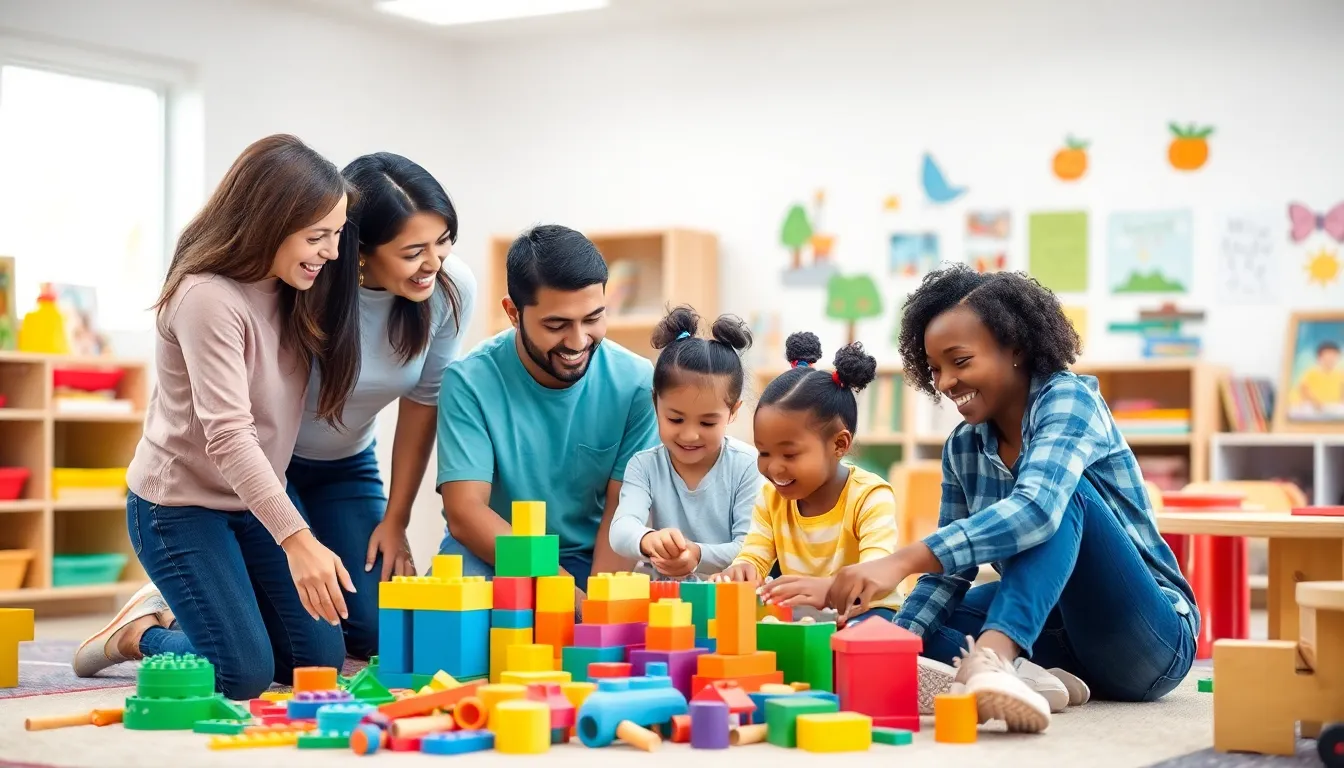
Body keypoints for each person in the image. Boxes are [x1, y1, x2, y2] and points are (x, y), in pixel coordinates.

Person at [827, 264, 1199, 734]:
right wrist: (887, 646)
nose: (944, 382)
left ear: (1016, 347)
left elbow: (1038, 510)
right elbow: (949, 575)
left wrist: (900, 561)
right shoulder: (963, 446)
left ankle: (994, 657)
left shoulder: (1068, 399)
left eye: (960, 362)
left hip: (1148, 642)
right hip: (1058, 638)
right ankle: (1035, 679)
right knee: (894, 626)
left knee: (1065, 497)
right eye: (935, 368)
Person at [72, 135, 362, 700]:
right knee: (241, 675)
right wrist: (298, 540)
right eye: (317, 236)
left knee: (317, 666)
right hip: (179, 507)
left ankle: (215, 618)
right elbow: (228, 435)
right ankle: (140, 635)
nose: (330, 252)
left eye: (337, 234)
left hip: (253, 501)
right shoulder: (206, 296)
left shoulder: (295, 288)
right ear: (268, 222)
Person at [283, 152, 475, 659]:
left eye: (443, 242)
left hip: (346, 468)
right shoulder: (306, 285)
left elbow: (422, 403)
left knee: (374, 635)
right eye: (414, 250)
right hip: (271, 468)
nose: (433, 263)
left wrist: (396, 519)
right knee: (309, 644)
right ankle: (169, 609)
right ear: (360, 251)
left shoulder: (450, 289)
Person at [434, 224, 659, 594]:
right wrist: (553, 584)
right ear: (513, 312)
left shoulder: (635, 382)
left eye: (592, 319)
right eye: (556, 324)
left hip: (592, 557)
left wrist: (595, 608)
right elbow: (465, 513)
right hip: (494, 552)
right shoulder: (469, 381)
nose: (577, 341)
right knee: (454, 631)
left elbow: (623, 510)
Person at [714, 332, 902, 624]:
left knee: (855, 640)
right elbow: (755, 554)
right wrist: (743, 569)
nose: (774, 469)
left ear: (839, 445)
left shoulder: (870, 496)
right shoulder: (771, 499)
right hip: (805, 616)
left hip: (868, 611)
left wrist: (830, 590)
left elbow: (876, 572)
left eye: (789, 455)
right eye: (764, 452)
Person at [608, 305, 761, 579]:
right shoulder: (644, 466)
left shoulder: (748, 466)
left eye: (707, 423)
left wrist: (697, 554)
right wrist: (648, 540)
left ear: (734, 412)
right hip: (665, 605)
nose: (690, 435)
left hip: (729, 603)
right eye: (676, 420)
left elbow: (751, 547)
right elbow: (621, 529)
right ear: (656, 403)